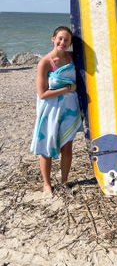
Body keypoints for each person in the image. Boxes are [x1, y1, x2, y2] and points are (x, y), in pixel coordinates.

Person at [31, 26, 82, 194]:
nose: (62, 42)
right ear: (53, 39)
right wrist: (67, 89)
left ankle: (64, 181)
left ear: (70, 43)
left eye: (66, 40)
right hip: (50, 110)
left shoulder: (73, 58)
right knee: (47, 146)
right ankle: (47, 184)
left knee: (67, 147)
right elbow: (43, 93)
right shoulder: (45, 62)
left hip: (69, 110)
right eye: (60, 38)